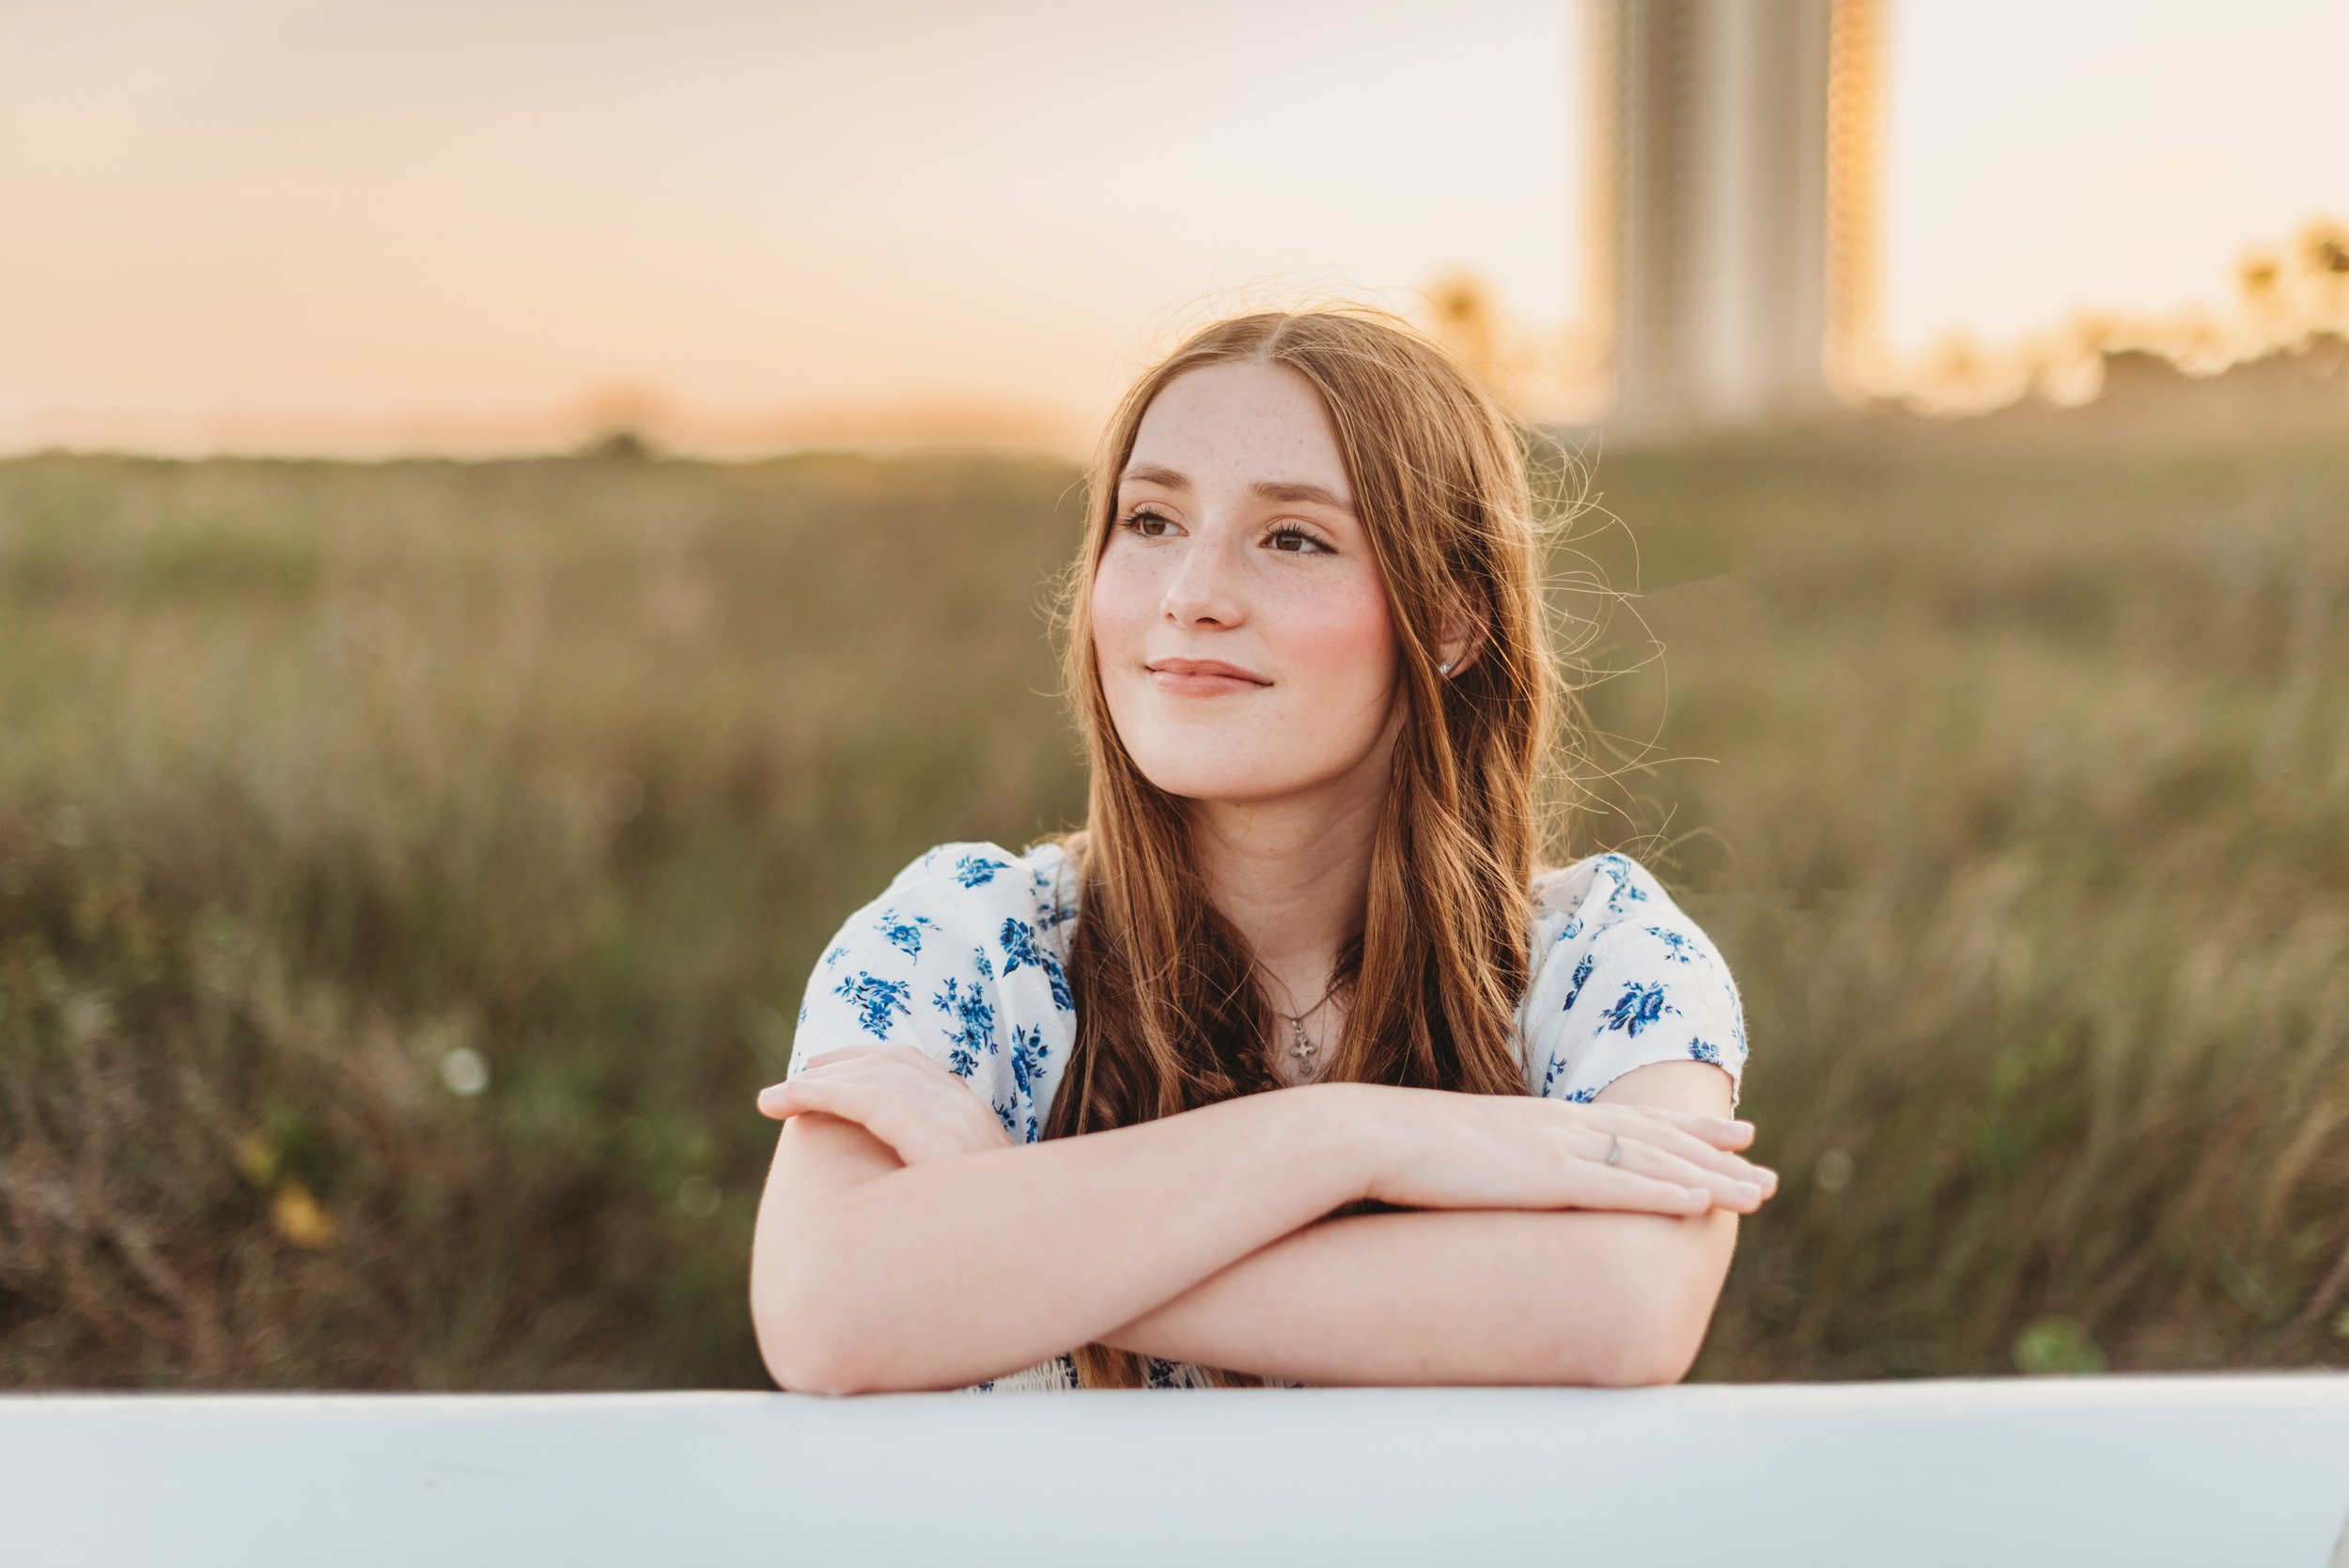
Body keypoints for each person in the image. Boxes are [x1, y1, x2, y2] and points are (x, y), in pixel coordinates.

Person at [747, 305, 1777, 1395]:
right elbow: (828, 1309)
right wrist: (1348, 1137)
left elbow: (1617, 1309)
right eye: (1149, 522)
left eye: (1292, 536)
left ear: (1450, 622)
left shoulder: (1601, 963)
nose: (1191, 595)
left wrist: (1008, 1224)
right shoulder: (959, 943)